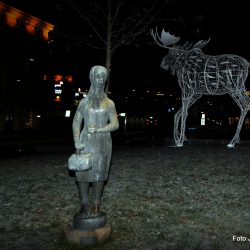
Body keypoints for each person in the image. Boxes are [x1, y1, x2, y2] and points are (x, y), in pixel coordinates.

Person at [72, 65, 119, 217]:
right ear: (92, 78)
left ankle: (96, 204)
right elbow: (76, 122)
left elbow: (115, 124)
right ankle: (84, 204)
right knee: (83, 174)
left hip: (103, 143)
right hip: (86, 142)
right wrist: (76, 141)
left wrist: (100, 129)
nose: (100, 80)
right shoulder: (84, 102)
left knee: (99, 174)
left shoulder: (109, 103)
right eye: (97, 76)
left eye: (103, 77)